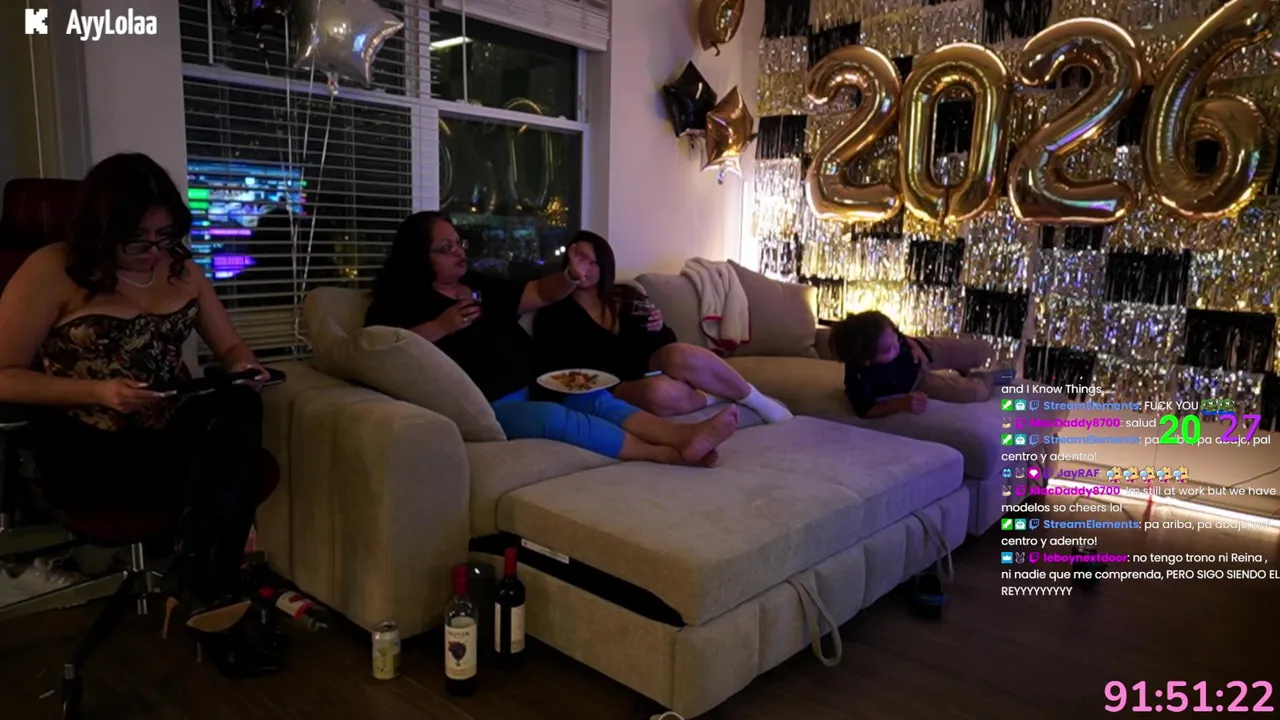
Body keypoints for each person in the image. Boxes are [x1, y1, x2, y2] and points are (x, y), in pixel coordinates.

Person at [0, 153, 277, 677]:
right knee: (229, 473)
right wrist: (99, 391)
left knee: (238, 402)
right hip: (89, 445)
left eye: (165, 235)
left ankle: (199, 583)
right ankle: (212, 596)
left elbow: (230, 347)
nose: (154, 252)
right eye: (137, 241)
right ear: (102, 231)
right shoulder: (53, 269)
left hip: (167, 435)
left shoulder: (180, 268)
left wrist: (244, 366)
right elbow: (3, 374)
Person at [364, 213, 739, 466]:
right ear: (418, 255)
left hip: (537, 383)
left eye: (458, 242)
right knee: (555, 418)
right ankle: (662, 454)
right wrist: (442, 326)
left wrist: (571, 278)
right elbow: (381, 351)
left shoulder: (479, 285)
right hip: (489, 407)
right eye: (445, 247)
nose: (459, 251)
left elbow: (541, 292)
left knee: (596, 399)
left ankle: (682, 435)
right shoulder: (401, 301)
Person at [533, 231, 792, 422]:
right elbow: (560, 367)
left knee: (681, 353)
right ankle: (715, 397)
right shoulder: (554, 312)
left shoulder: (626, 296)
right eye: (579, 260)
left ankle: (756, 399)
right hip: (611, 385)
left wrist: (658, 328)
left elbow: (667, 342)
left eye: (592, 262)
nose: (584, 268)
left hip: (647, 365)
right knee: (658, 393)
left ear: (605, 266)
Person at [830, 310, 1011, 419]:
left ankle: (962, 365)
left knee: (982, 350)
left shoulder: (887, 336)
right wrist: (901, 403)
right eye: (888, 349)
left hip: (922, 349)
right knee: (975, 392)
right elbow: (866, 410)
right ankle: (988, 377)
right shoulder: (859, 378)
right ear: (866, 360)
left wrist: (914, 346)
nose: (897, 346)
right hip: (914, 380)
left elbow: (900, 338)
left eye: (895, 337)